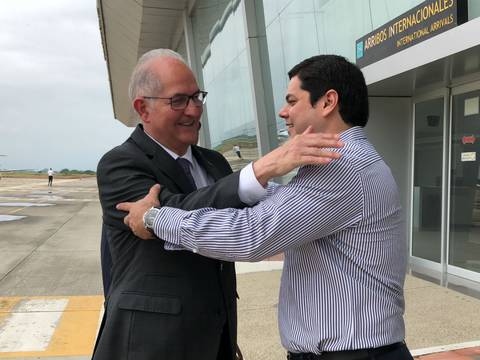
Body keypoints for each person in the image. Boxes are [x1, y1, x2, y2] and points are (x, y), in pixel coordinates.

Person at [119, 55, 413, 360]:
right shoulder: (347, 162)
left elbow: (249, 235)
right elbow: (290, 201)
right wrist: (256, 182)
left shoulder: (339, 167)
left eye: (292, 101)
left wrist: (155, 217)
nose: (283, 112)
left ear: (327, 102)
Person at [93, 49, 343, 360]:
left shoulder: (213, 163)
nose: (194, 110)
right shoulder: (120, 164)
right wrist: (261, 169)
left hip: (213, 337)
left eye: (197, 97)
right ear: (143, 109)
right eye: (178, 100)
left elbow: (240, 224)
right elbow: (178, 210)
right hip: (149, 344)